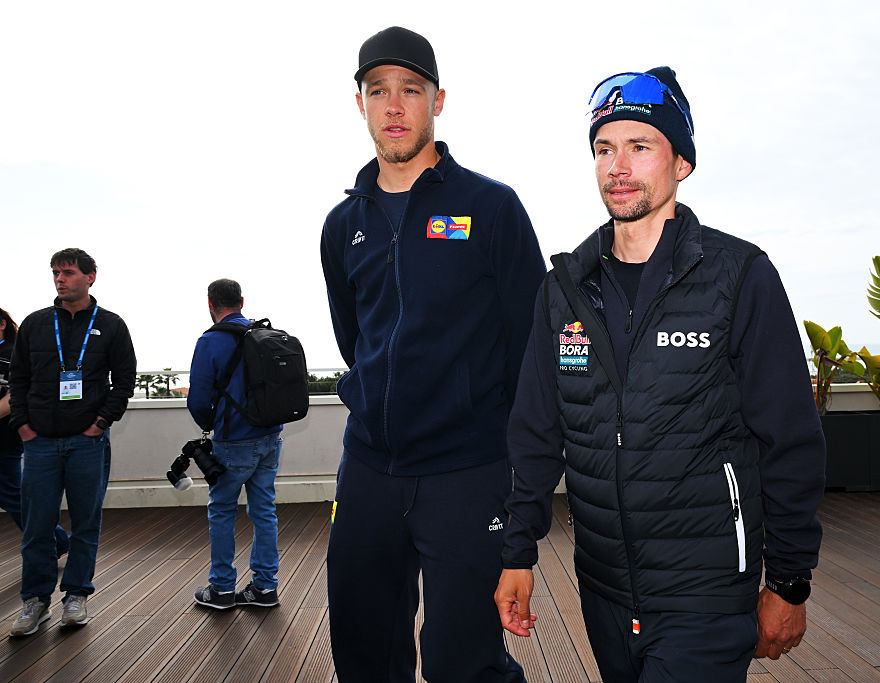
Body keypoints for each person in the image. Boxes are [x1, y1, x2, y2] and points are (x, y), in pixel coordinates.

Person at [494, 68, 826, 682]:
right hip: (604, 591)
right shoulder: (565, 290)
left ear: (681, 164)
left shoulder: (739, 276)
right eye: (604, 148)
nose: (617, 165)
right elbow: (536, 432)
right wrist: (517, 551)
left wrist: (788, 580)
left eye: (639, 146)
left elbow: (791, 439)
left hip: (705, 593)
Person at [320, 26, 545, 682]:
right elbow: (354, 338)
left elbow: (530, 343)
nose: (394, 105)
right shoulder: (343, 224)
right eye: (378, 90)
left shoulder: (490, 207)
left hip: (467, 471)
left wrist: (511, 466)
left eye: (410, 90)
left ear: (438, 101)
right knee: (364, 653)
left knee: (464, 661)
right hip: (368, 470)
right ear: (358, 103)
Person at [7, 248, 136, 636]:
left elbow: (124, 382)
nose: (60, 279)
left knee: (85, 524)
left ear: (90, 277)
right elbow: (18, 380)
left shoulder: (111, 325)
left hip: (87, 443)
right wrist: (23, 427)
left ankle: (76, 596)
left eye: (68, 272)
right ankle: (36, 601)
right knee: (36, 525)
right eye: (55, 273)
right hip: (40, 443)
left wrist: (99, 424)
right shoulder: (34, 324)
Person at [187, 279, 283, 610]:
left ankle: (223, 589)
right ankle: (265, 588)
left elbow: (198, 399)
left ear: (210, 304)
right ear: (241, 301)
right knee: (264, 510)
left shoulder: (210, 341)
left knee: (223, 510)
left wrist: (209, 425)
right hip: (270, 437)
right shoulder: (264, 334)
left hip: (234, 442)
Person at [0, 307, 70, 554]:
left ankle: (58, 542)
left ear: (2, 325)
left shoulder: (9, 354)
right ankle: (58, 541)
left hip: (5, 439)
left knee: (13, 496)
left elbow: (15, 395)